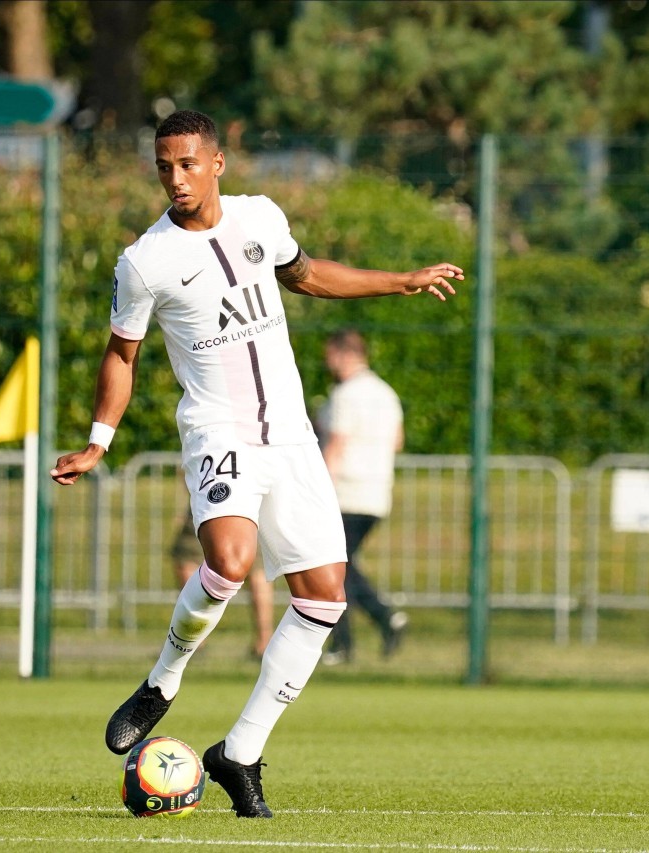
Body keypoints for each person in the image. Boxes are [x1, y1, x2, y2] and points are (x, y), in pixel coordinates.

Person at [50, 109, 462, 818]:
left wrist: (399, 280)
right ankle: (163, 680)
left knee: (324, 597)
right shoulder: (144, 261)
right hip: (219, 430)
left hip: (293, 437)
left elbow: (306, 275)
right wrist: (98, 441)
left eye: (186, 163)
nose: (174, 178)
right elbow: (121, 353)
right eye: (163, 166)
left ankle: (238, 753)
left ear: (217, 162)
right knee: (231, 562)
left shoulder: (260, 218)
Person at [318, 329, 408, 665]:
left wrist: (318, 493)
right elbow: (397, 440)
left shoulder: (345, 395)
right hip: (377, 493)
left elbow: (336, 445)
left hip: (345, 492)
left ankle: (348, 642)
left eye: (329, 356)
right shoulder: (387, 393)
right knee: (342, 566)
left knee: (332, 568)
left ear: (344, 353)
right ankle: (384, 621)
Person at [170, 503, 274, 659]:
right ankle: (265, 642)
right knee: (256, 567)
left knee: (188, 558)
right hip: (252, 502)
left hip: (212, 496)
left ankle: (194, 643)